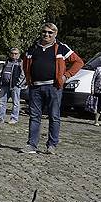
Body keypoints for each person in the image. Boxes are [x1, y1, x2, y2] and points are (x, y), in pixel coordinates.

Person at [20, 22, 84, 154]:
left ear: (55, 34)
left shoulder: (61, 48)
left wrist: (66, 76)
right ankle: (32, 144)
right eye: (44, 31)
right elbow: (25, 64)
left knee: (54, 116)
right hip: (35, 88)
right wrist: (28, 79)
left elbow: (78, 62)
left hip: (53, 87)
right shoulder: (32, 49)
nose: (47, 34)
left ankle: (52, 145)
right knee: (34, 116)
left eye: (50, 32)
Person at [0, 48, 25, 124]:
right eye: (12, 53)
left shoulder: (21, 63)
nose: (14, 55)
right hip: (5, 86)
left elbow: (24, 75)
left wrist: (18, 84)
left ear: (19, 54)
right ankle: (0, 118)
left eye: (16, 53)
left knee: (15, 103)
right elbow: (3, 72)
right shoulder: (7, 62)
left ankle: (14, 119)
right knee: (2, 102)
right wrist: (1, 81)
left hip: (15, 86)